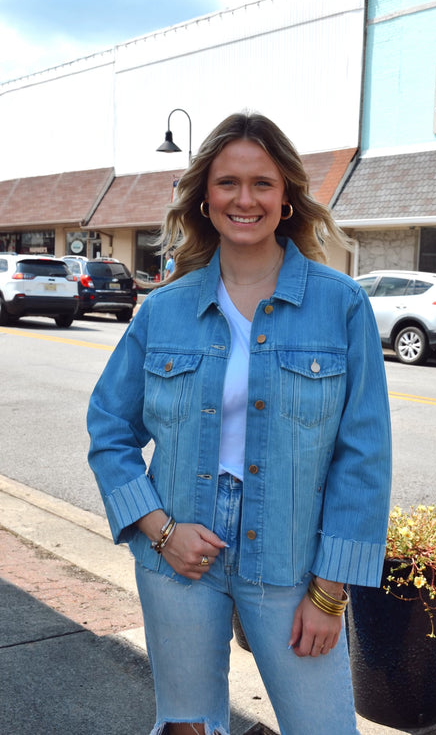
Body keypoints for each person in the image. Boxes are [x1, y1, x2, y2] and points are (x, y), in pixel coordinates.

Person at [87, 112, 392, 735]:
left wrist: (331, 591)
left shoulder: (342, 305)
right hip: (178, 552)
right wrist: (159, 528)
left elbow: (363, 457)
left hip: (292, 554)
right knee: (187, 727)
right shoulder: (165, 309)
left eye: (262, 183)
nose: (244, 199)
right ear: (205, 196)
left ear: (286, 198)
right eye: (228, 182)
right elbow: (109, 429)